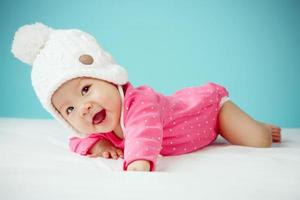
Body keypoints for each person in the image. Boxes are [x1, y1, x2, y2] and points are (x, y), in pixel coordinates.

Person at [11, 23, 281, 171]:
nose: (83, 108)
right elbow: (76, 142)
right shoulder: (101, 124)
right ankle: (245, 126)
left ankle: (253, 125)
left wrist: (138, 165)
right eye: (69, 109)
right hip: (194, 120)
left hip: (210, 112)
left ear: (109, 77)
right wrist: (98, 147)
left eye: (85, 90)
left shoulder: (139, 102)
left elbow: (144, 134)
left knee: (259, 140)